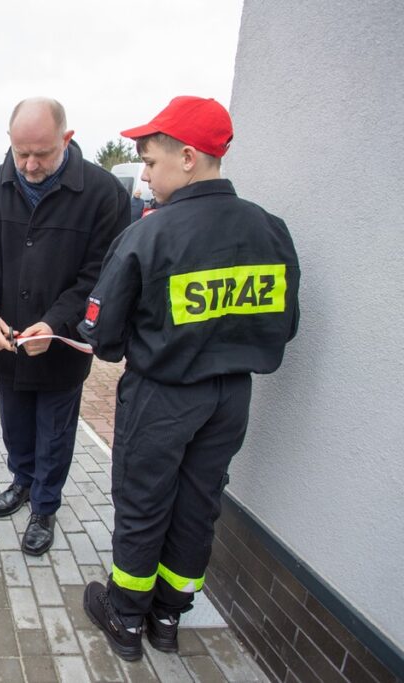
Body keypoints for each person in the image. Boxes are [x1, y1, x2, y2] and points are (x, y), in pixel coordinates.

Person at [78, 97, 300, 661]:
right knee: (199, 503)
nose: (145, 176)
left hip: (162, 396)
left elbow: (102, 335)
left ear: (188, 157)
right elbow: (285, 325)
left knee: (143, 502)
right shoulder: (270, 230)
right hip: (231, 398)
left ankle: (126, 617)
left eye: (151, 163)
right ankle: (168, 617)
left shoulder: (150, 234)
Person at [0, 97, 129, 556]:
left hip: (61, 345)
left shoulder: (102, 193)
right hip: (7, 341)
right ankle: (22, 480)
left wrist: (55, 323)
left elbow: (99, 275)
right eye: (22, 154)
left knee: (54, 432)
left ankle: (44, 505)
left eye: (42, 153)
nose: (30, 165)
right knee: (15, 426)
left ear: (67, 139)